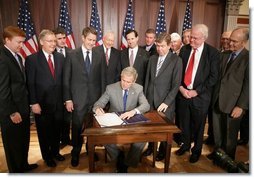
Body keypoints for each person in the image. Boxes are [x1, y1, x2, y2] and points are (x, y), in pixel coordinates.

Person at [175, 24, 220, 163]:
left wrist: (196, 91)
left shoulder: (213, 53)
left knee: (198, 126)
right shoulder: (185, 50)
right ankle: (186, 145)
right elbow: (178, 71)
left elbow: (213, 77)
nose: (191, 40)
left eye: (195, 38)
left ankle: (196, 150)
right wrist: (181, 88)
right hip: (183, 94)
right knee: (184, 124)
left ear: (204, 38)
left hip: (200, 97)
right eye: (191, 37)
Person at [93, 66, 150, 173]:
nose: (125, 84)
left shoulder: (138, 88)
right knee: (104, 137)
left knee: (143, 138)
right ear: (121, 77)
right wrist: (98, 109)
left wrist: (134, 111)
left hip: (131, 122)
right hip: (115, 123)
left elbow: (146, 105)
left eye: (128, 82)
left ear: (134, 81)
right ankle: (118, 156)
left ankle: (126, 162)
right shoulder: (111, 88)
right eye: (123, 80)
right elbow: (98, 104)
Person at [63, 27, 106, 167]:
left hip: (94, 101)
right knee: (76, 128)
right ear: (83, 38)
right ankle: (75, 153)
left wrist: (102, 101)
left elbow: (102, 79)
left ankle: (90, 151)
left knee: (92, 128)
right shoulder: (71, 54)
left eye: (94, 40)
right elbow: (66, 79)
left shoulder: (100, 55)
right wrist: (68, 99)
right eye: (89, 39)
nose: (92, 43)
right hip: (77, 100)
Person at [0, 26, 38, 173]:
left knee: (23, 141)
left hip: (22, 108)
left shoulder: (16, 55)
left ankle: (23, 165)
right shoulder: (3, 58)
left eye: (23, 42)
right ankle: (16, 171)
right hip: (12, 111)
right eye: (18, 42)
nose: (21, 45)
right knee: (13, 145)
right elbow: (2, 90)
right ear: (7, 40)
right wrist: (12, 112)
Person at [25, 29, 65, 167]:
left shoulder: (60, 57)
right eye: (50, 41)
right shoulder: (32, 59)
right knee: (44, 133)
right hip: (41, 104)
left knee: (56, 131)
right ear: (41, 42)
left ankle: (55, 152)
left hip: (59, 104)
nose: (53, 43)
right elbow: (30, 83)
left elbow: (63, 81)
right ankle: (47, 156)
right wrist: (33, 103)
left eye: (54, 41)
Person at [210, 27, 249, 160]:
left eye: (234, 41)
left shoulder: (249, 58)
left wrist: (241, 106)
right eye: (230, 40)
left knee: (230, 135)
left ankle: (227, 160)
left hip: (234, 105)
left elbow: (249, 86)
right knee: (217, 132)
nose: (230, 43)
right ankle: (218, 154)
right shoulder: (224, 55)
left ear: (243, 43)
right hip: (217, 101)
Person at [143, 32, 182, 161]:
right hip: (150, 101)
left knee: (165, 131)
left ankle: (163, 152)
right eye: (158, 45)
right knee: (150, 128)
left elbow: (176, 85)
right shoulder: (152, 59)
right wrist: (145, 100)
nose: (160, 49)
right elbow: (147, 81)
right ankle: (150, 148)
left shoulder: (176, 60)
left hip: (166, 103)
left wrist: (167, 102)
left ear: (170, 45)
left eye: (163, 46)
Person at [53, 27, 73, 147]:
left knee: (67, 117)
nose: (62, 40)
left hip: (69, 90)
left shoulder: (71, 52)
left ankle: (66, 138)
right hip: (55, 92)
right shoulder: (51, 53)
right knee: (57, 118)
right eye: (59, 38)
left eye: (64, 38)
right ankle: (58, 140)